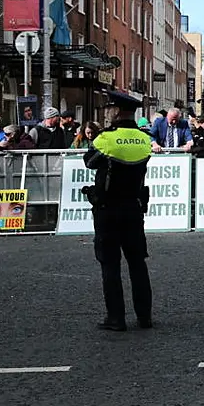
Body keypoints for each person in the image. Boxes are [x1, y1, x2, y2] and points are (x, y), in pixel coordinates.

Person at [83, 94, 154, 332]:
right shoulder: (144, 139)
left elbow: (90, 161)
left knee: (110, 263)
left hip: (108, 209)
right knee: (137, 262)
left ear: (115, 111)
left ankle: (116, 317)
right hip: (134, 207)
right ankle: (145, 316)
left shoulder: (106, 139)